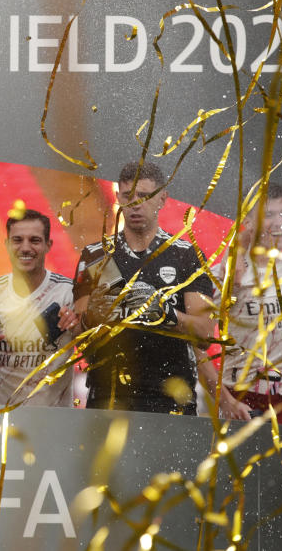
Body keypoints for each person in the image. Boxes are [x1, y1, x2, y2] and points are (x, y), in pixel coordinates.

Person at [73, 161, 218, 415]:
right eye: (128, 196)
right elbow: (76, 334)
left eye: (144, 196)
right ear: (118, 198)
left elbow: (205, 333)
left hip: (171, 396)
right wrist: (90, 319)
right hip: (108, 396)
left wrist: (165, 314)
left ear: (162, 199)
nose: (135, 203)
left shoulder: (186, 256)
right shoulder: (95, 256)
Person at [217, 184, 282, 424]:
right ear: (248, 222)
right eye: (268, 215)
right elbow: (195, 340)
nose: (278, 223)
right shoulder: (228, 273)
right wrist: (224, 400)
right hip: (244, 397)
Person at [0, 209, 76, 406]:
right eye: (17, 240)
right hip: (0, 422)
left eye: (34, 240)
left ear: (48, 245)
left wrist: (79, 325)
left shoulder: (69, 293)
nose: (25, 248)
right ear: (6, 245)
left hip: (54, 423)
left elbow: (92, 354)